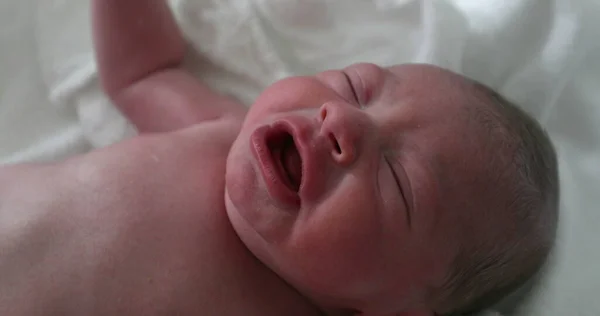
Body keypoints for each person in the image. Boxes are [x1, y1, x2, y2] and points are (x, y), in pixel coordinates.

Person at [0, 0, 559, 315]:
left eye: (398, 180)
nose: (342, 121)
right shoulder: (222, 134)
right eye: (354, 86)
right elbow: (144, 75)